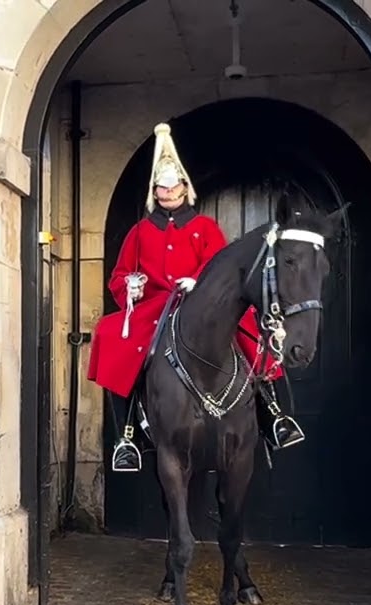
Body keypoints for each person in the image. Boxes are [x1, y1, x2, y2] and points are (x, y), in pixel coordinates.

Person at [86, 122, 303, 473]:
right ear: (155, 191)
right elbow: (119, 276)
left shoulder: (205, 227)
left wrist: (198, 282)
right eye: (161, 187)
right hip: (157, 306)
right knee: (111, 334)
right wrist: (131, 286)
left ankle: (270, 414)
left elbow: (222, 269)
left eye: (173, 186)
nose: (168, 192)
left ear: (185, 188)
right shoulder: (139, 232)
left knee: (249, 334)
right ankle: (127, 435)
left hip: (203, 305)